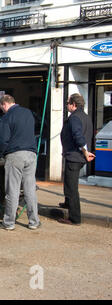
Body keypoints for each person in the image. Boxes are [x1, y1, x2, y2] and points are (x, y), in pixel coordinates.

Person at [0, 95, 41, 231]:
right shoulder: (29, 113)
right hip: (31, 154)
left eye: (2, 108)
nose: (2, 110)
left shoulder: (7, 117)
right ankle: (34, 221)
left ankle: (8, 223)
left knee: (12, 190)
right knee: (30, 189)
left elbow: (3, 140)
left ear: (4, 104)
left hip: (15, 155)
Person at [58, 93, 95, 226]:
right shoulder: (85, 117)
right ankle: (67, 203)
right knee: (69, 182)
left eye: (68, 103)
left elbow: (78, 137)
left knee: (71, 187)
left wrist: (85, 152)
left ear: (73, 104)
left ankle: (74, 217)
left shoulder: (74, 118)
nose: (66, 105)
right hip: (77, 156)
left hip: (75, 156)